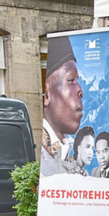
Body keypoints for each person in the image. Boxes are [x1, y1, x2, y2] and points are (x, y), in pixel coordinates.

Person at [41, 36, 83, 175]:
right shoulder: (40, 154)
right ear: (46, 94)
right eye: (71, 80)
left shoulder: (67, 155)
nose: (80, 91)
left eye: (78, 81)